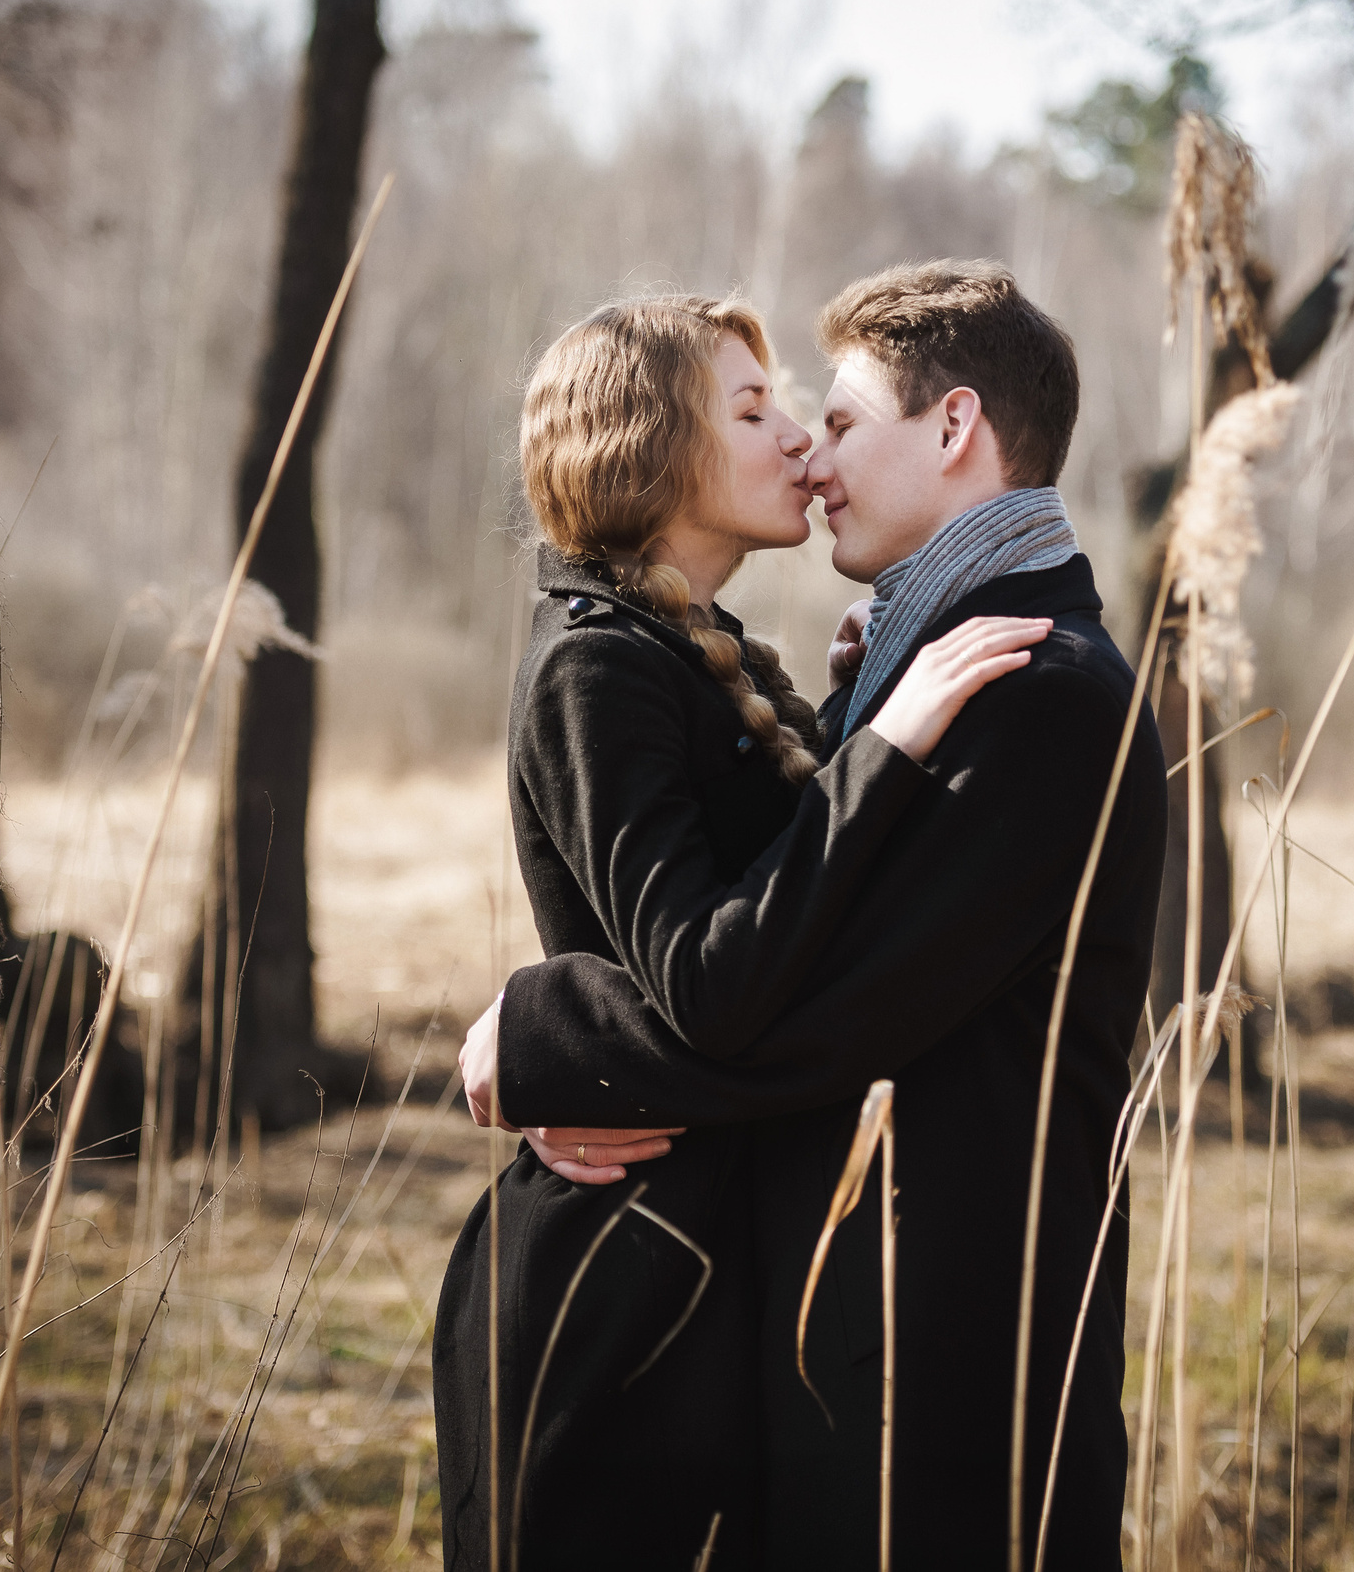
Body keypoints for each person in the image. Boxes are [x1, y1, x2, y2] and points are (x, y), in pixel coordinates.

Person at [457, 261, 1167, 1570]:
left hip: (955, 1380)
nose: (809, 449)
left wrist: (543, 1032)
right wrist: (856, 724)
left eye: (836, 420)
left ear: (952, 428)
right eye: (771, 415)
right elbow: (763, 928)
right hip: (781, 1337)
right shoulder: (889, 667)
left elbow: (820, 1012)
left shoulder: (1031, 688)